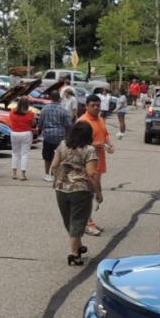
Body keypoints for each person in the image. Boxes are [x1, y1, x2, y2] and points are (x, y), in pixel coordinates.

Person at [50, 120, 101, 266]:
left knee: (69, 221)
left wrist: (59, 178)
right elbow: (92, 173)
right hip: (80, 190)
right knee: (78, 221)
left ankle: (78, 246)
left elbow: (53, 166)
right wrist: (98, 192)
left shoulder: (62, 145)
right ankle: (74, 254)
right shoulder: (89, 150)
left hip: (61, 189)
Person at [82, 94, 114, 236]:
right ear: (86, 106)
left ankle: (88, 220)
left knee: (93, 192)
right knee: (88, 193)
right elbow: (78, 142)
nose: (96, 108)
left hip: (99, 161)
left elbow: (105, 134)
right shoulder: (83, 121)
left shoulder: (100, 119)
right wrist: (95, 144)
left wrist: (110, 144)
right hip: (87, 163)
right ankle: (86, 223)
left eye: (98, 105)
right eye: (93, 105)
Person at [37, 90, 72, 182]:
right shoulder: (64, 110)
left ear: (50, 98)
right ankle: (55, 174)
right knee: (59, 155)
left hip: (48, 135)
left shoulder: (44, 109)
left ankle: (47, 174)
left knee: (47, 156)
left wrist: (41, 129)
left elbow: (40, 122)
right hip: (60, 136)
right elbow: (69, 124)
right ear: (59, 98)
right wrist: (68, 136)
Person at [7, 95, 37, 180]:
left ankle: (14, 173)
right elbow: (33, 123)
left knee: (15, 153)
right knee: (24, 154)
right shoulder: (30, 113)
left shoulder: (12, 111)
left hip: (14, 133)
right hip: (26, 133)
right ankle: (23, 174)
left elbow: (11, 122)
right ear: (27, 104)